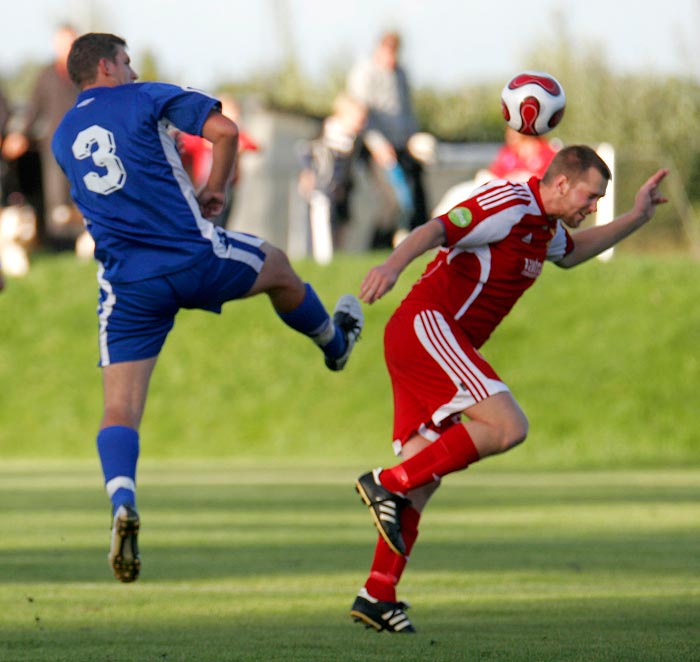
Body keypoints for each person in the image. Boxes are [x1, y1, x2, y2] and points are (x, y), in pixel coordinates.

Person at [51, 33, 364, 584]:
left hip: (127, 285)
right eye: (126, 60)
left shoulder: (61, 134)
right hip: (191, 257)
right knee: (280, 268)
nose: (133, 67)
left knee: (119, 412)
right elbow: (225, 131)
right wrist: (214, 189)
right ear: (105, 65)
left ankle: (122, 500)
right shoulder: (146, 95)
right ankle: (335, 346)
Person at [350, 145, 668, 632]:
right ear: (561, 183)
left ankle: (377, 592)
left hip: (430, 338)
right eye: (591, 195)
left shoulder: (545, 228)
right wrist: (391, 266)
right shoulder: (510, 202)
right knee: (507, 425)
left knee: (423, 477)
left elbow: (575, 253)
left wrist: (637, 216)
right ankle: (383, 483)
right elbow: (437, 228)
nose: (592, 206)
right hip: (427, 325)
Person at [2, 24, 81, 249]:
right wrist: (20, 135)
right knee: (57, 198)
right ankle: (60, 243)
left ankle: (85, 239)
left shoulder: (85, 75)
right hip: (55, 146)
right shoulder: (47, 75)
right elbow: (34, 109)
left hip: (85, 144)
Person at [347, 31, 428, 248]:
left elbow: (407, 110)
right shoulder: (365, 73)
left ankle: (417, 248)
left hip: (402, 146)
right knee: (390, 202)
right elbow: (360, 113)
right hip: (378, 150)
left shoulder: (400, 74)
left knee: (417, 198)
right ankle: (377, 250)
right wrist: (378, 144)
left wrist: (413, 138)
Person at [297, 93, 367, 263]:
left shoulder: (355, 140)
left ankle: (336, 258)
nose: (360, 124)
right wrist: (307, 172)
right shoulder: (325, 134)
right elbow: (305, 150)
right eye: (357, 119)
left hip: (342, 189)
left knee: (340, 224)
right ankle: (323, 260)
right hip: (322, 187)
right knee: (321, 222)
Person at [178, 93, 259, 228]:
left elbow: (254, 145)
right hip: (201, 186)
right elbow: (184, 144)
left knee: (220, 225)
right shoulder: (200, 137)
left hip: (227, 187)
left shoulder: (237, 135)